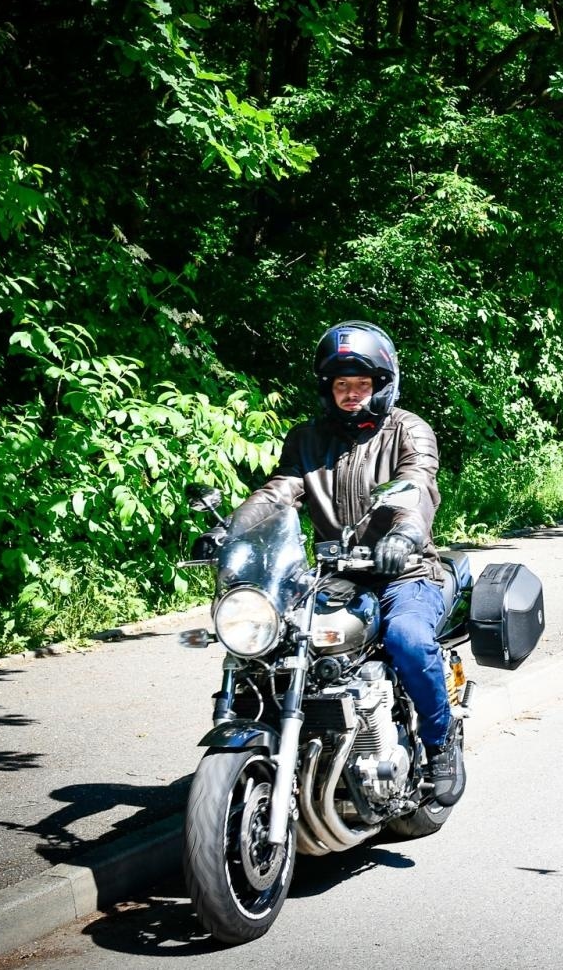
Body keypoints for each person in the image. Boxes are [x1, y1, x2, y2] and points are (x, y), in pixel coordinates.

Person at [192, 320, 465, 806]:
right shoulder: (308, 439)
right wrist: (231, 530)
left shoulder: (408, 429)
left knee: (408, 638)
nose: (352, 393)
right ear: (328, 388)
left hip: (405, 572)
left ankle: (438, 743)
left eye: (362, 384)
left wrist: (404, 533)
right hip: (332, 575)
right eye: (342, 384)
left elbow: (416, 485)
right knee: (268, 642)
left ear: (382, 384)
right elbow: (278, 492)